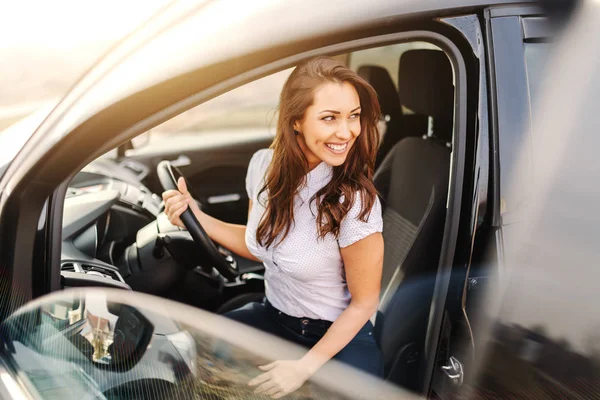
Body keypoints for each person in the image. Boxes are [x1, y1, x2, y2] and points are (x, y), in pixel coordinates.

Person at [162, 56, 384, 398]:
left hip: (338, 339)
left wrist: (302, 368)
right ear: (296, 121)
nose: (347, 132)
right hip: (274, 317)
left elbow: (365, 303)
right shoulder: (263, 166)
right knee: (186, 358)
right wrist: (197, 217)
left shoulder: (353, 202)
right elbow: (259, 244)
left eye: (353, 116)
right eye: (329, 118)